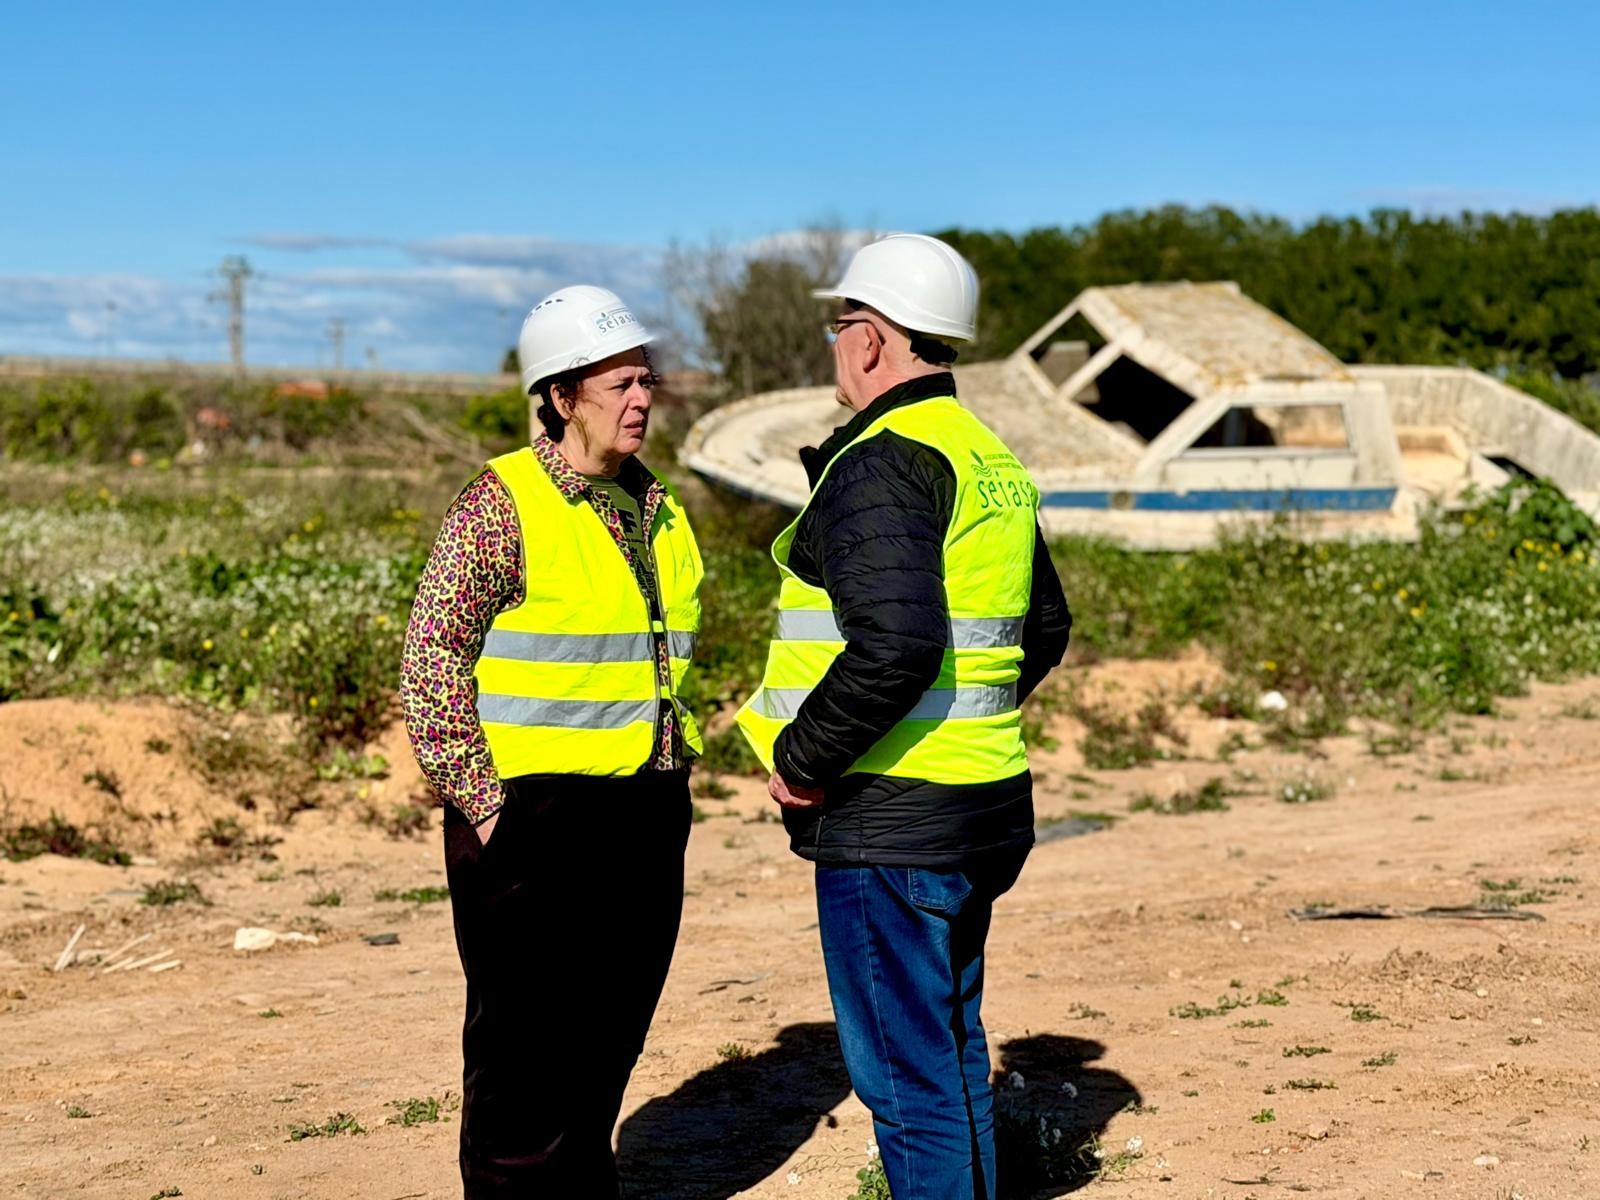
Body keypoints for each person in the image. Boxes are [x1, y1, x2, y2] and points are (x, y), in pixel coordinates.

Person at [736, 234, 1072, 1200]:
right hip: (980, 803)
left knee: (907, 1078)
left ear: (874, 339)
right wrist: (962, 723)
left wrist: (804, 763)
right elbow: (1044, 628)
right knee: (949, 1052)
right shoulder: (986, 455)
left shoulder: (882, 461)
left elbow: (895, 648)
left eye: (840, 325)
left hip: (891, 820)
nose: (836, 344)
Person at [399, 285, 703, 1198]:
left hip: (645, 810)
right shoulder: (501, 503)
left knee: (606, 1046)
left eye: (646, 381)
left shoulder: (659, 507)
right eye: (619, 384)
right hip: (534, 817)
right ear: (562, 396)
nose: (641, 399)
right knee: (524, 1065)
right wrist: (487, 807)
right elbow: (432, 657)